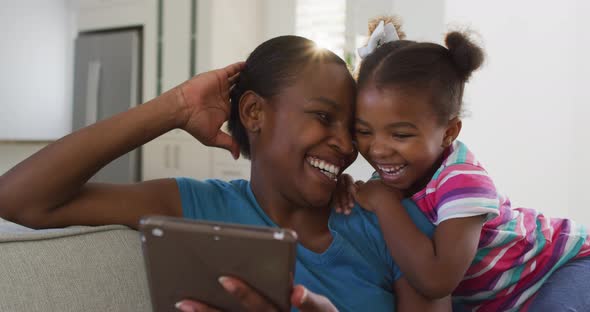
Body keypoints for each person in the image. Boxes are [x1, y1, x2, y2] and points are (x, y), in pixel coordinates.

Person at [0, 35, 451, 311]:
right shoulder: (198, 207)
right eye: (323, 116)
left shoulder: (393, 226)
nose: (347, 144)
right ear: (254, 111)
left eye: (352, 128)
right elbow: (19, 200)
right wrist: (173, 108)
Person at [334, 16, 590, 311]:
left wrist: (383, 203)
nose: (377, 148)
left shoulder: (462, 180)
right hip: (505, 298)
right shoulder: (395, 180)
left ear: (449, 132)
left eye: (401, 134)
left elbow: (438, 280)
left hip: (558, 270)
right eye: (364, 131)